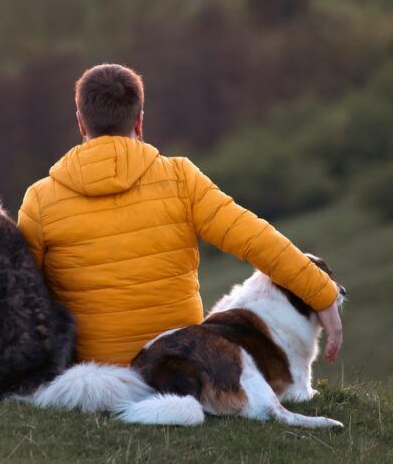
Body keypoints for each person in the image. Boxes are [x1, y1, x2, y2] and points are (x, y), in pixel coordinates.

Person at [17, 63, 343, 366]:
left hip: (92, 379)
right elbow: (254, 238)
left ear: (80, 122)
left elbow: (19, 293)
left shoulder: (40, 200)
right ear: (139, 121)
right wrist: (321, 293)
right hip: (178, 369)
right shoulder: (180, 178)